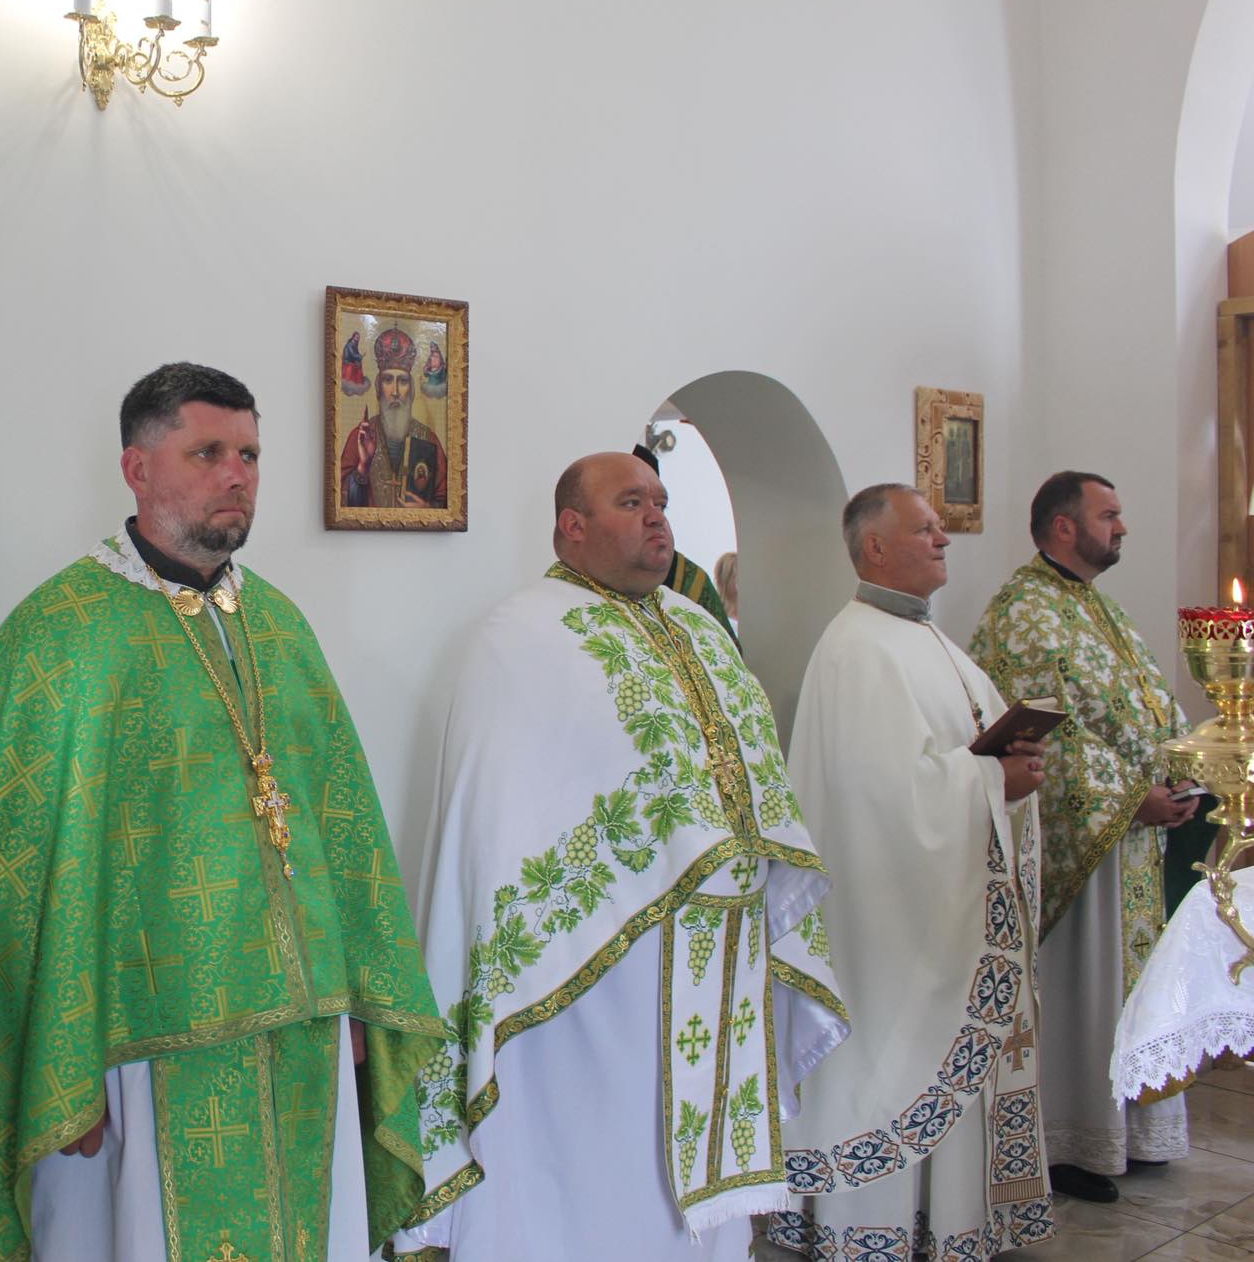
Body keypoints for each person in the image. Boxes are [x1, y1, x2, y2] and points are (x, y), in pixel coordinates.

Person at [0, 363, 444, 1261]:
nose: (237, 475)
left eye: (250, 455)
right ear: (137, 468)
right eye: (208, 453)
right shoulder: (61, 636)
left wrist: (354, 998)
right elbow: (15, 887)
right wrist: (55, 1069)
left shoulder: (280, 627)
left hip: (303, 1039)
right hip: (135, 1049)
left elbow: (337, 832)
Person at [391, 451, 846, 1261]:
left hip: (721, 949)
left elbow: (752, 771)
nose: (657, 516)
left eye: (660, 501)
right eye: (631, 502)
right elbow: (504, 819)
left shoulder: (701, 628)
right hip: (584, 971)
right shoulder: (523, 634)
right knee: (595, 1158)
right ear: (573, 526)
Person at [768, 484, 1053, 1260]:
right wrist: (992, 779)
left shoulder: (927, 639)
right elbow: (882, 797)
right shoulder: (857, 649)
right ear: (875, 548)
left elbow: (949, 761)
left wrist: (1008, 767)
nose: (943, 539)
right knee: (886, 1061)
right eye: (925, 529)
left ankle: (947, 1220)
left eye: (939, 527)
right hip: (886, 920)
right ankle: (872, 1227)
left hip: (941, 906)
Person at [968, 471, 1196, 1202]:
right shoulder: (1025, 613)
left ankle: (1131, 1127)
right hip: (1080, 848)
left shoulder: (1096, 606)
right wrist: (1132, 800)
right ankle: (1069, 1138)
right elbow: (1044, 735)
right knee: (1082, 987)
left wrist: (1182, 775)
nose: (1121, 527)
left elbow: (1148, 704)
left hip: (1132, 841)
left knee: (1132, 988)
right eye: (1109, 515)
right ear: (1064, 526)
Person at [631, 443, 739, 645]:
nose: (656, 518)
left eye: (660, 506)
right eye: (632, 503)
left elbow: (727, 653)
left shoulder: (691, 581)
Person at [339, 329, 448, 508]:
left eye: (403, 381)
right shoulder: (360, 437)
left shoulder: (429, 439)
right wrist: (363, 467)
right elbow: (339, 501)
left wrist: (427, 510)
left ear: (412, 391)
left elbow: (449, 501)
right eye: (388, 380)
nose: (395, 392)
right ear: (378, 389)